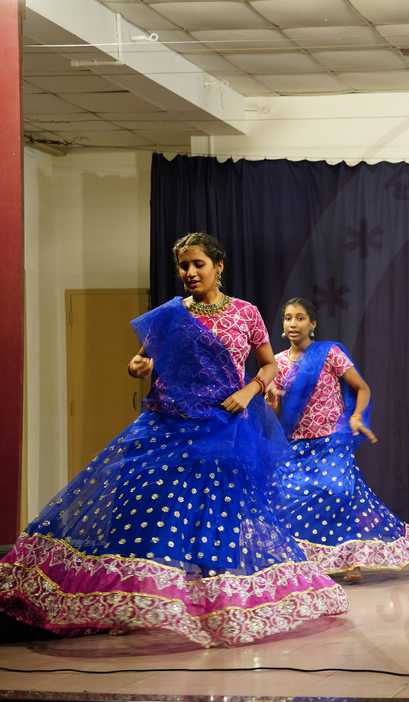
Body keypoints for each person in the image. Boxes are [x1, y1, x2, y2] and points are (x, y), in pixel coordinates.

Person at [0, 233, 347, 647]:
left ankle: (218, 606)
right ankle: (126, 601)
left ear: (218, 266)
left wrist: (250, 391)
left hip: (222, 426)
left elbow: (269, 365)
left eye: (198, 264)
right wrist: (138, 364)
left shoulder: (245, 313)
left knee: (217, 514)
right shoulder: (169, 315)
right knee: (140, 504)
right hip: (166, 424)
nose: (190, 273)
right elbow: (147, 360)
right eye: (183, 266)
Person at [267, 298, 409, 583]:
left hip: (331, 441)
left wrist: (356, 417)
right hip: (295, 445)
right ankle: (301, 561)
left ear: (312, 324)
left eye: (300, 317)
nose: (293, 323)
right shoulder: (277, 363)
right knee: (286, 497)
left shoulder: (329, 354)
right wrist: (272, 402)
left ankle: (350, 559)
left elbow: (362, 388)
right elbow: (277, 414)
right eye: (288, 318)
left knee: (339, 491)